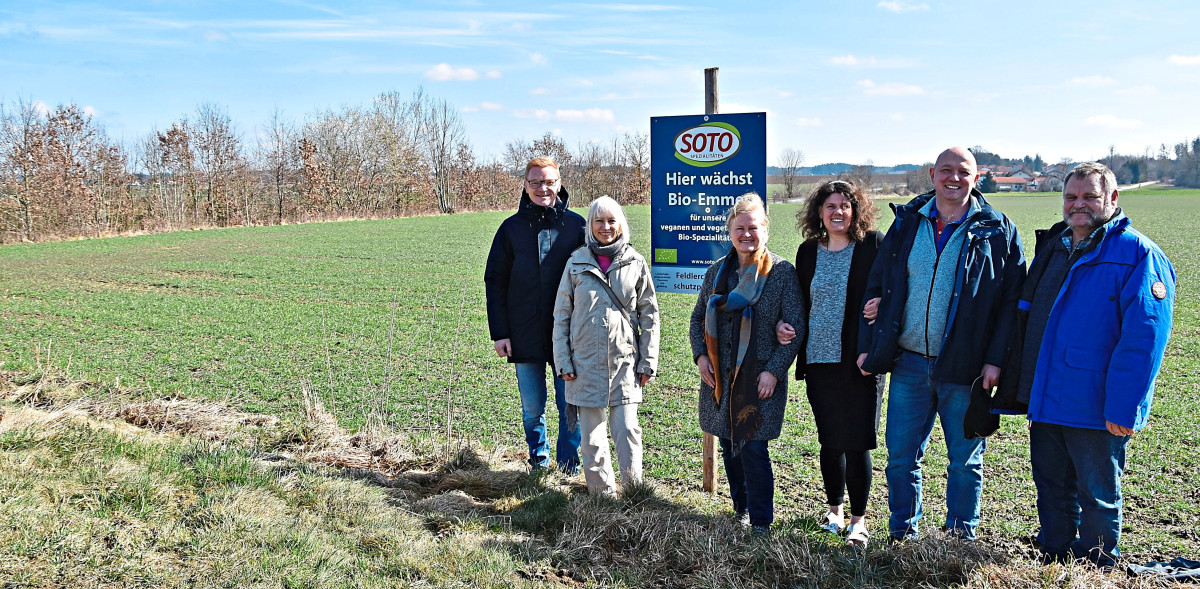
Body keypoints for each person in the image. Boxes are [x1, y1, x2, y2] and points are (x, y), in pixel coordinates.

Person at [993, 162, 1175, 566]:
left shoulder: (1137, 255)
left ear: (1112, 199)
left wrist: (1124, 408)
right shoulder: (1055, 249)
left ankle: (1096, 565)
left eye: (1090, 196)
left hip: (1096, 406)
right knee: (1052, 486)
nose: (1079, 205)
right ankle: (1054, 559)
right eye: (1071, 197)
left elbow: (1144, 342)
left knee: (1097, 492)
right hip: (1047, 397)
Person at [857, 146, 1026, 541]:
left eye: (963, 171)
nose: (954, 178)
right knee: (900, 460)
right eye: (946, 170)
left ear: (976, 176)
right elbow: (879, 285)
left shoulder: (998, 230)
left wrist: (995, 360)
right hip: (909, 363)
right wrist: (872, 339)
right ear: (932, 173)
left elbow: (1010, 306)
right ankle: (902, 534)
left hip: (965, 369)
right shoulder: (909, 221)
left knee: (965, 462)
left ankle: (959, 539)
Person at [776, 180, 885, 547]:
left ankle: (859, 520)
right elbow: (795, 302)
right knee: (829, 440)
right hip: (819, 358)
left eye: (844, 205)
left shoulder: (872, 245)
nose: (837, 212)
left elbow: (895, 288)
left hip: (860, 360)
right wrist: (782, 324)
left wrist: (882, 304)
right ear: (819, 212)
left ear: (856, 210)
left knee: (857, 441)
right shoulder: (807, 251)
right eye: (830, 206)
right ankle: (834, 511)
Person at [689, 193, 803, 536]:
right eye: (740, 228)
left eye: (753, 227)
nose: (746, 234)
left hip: (759, 379)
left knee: (753, 448)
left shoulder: (781, 273)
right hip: (721, 378)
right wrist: (700, 357)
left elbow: (796, 328)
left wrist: (774, 370)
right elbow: (697, 319)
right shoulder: (717, 272)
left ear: (765, 230)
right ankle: (740, 507)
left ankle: (761, 521)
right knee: (728, 444)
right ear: (730, 231)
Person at [552, 196, 660, 495]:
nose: (605, 227)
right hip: (584, 363)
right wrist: (563, 361)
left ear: (621, 224)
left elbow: (650, 315)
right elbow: (561, 316)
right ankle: (603, 497)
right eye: (598, 221)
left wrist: (648, 361)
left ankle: (635, 494)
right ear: (590, 225)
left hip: (625, 362)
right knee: (592, 438)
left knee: (627, 432)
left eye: (611, 220)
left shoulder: (635, 262)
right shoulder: (576, 263)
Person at [484, 156, 584, 473]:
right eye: (536, 182)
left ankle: (569, 465)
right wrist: (500, 332)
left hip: (567, 336)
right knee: (532, 407)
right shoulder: (510, 230)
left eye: (549, 181)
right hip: (523, 333)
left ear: (559, 183)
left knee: (570, 405)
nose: (543, 188)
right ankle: (538, 462)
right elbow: (495, 281)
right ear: (526, 186)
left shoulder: (578, 227)